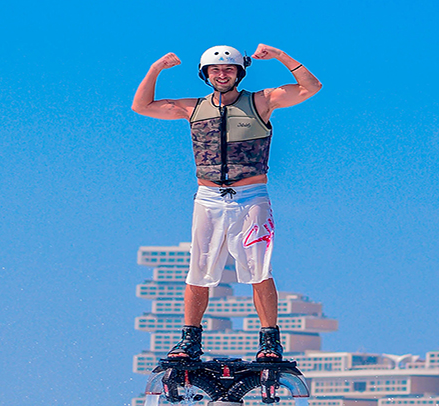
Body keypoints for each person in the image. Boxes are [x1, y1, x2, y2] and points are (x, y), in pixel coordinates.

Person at [132, 44, 321, 362]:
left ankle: (269, 341)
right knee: (198, 271)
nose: (222, 74)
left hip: (251, 197)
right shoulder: (193, 108)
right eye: (215, 70)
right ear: (205, 75)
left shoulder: (261, 101)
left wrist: (279, 55)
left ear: (239, 73)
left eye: (229, 69)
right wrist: (156, 68)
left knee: (259, 269)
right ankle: (190, 340)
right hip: (208, 198)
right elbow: (141, 106)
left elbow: (310, 87)